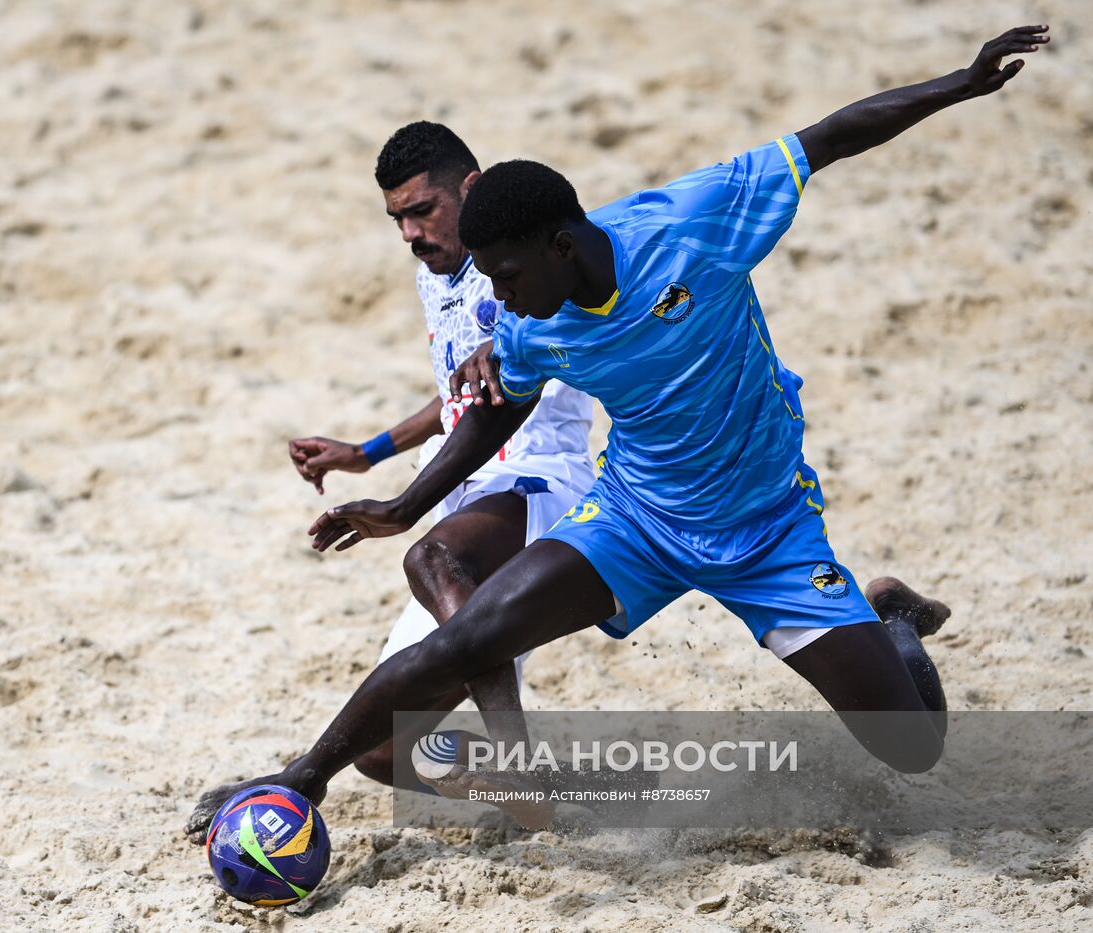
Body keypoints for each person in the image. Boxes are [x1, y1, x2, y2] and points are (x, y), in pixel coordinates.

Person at [186, 24, 1049, 837]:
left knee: (913, 747)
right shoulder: (523, 320)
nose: (501, 301)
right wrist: (403, 498)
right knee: (469, 635)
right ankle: (303, 775)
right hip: (637, 520)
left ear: (562, 245)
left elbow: (827, 138)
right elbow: (496, 412)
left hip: (769, 530)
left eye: (510, 276)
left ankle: (888, 619)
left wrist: (962, 84)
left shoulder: (689, 225)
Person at [285, 123, 596, 794]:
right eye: (396, 218)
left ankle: (518, 762)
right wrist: (366, 452)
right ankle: (572, 795)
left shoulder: (527, 261)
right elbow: (453, 396)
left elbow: (583, 331)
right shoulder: (436, 275)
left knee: (430, 556)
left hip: (538, 480)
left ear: (470, 189)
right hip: (467, 491)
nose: (409, 233)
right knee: (382, 753)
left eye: (421, 210)